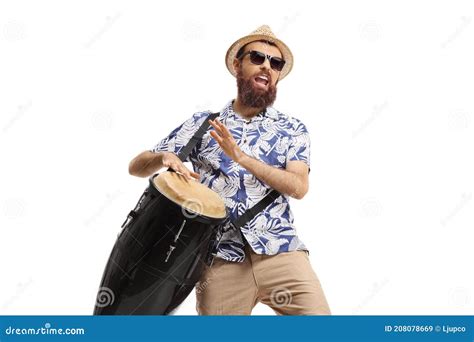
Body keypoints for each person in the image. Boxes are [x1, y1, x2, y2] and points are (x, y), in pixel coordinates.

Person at [128, 25, 331, 315]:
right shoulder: (203, 124)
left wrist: (242, 157)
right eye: (257, 58)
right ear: (238, 65)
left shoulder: (292, 129)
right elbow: (136, 167)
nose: (266, 66)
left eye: (275, 63)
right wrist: (164, 158)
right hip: (220, 261)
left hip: (281, 252)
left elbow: (299, 187)